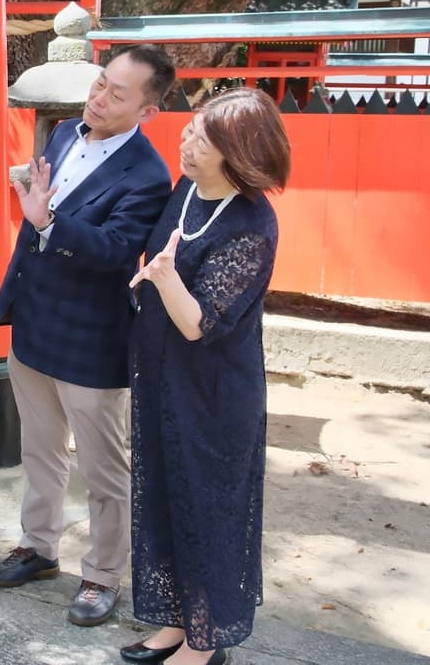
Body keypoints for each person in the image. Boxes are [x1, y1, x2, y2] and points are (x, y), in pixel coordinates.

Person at [0, 44, 176, 628]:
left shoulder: (148, 174)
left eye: (118, 94)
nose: (100, 98)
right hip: (36, 320)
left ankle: (103, 573)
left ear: (147, 111)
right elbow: (41, 210)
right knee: (39, 450)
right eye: (100, 83)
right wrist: (37, 210)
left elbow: (117, 250)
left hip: (91, 336)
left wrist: (49, 220)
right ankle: (38, 547)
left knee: (103, 468)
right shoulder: (65, 132)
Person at [121, 88, 290, 665]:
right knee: (164, 497)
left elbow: (199, 324)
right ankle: (178, 622)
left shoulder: (252, 226)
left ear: (238, 153)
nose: (186, 142)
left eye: (202, 139)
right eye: (191, 130)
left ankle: (206, 643)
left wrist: (165, 277)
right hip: (161, 377)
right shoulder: (188, 188)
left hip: (213, 394)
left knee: (209, 512)